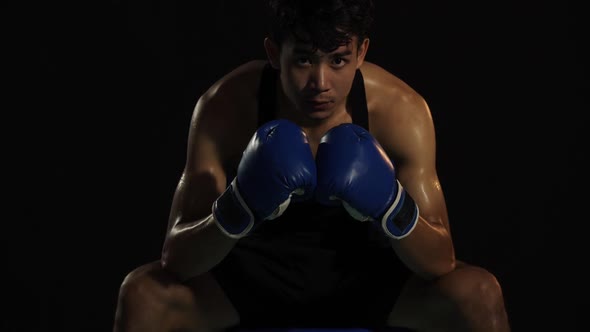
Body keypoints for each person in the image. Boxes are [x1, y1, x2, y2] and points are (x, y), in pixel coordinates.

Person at [113, 0, 511, 331]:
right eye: (303, 59)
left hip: (364, 283)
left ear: (361, 52)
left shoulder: (401, 111)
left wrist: (392, 206)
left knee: (479, 295)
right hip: (254, 282)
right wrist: (239, 208)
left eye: (338, 60)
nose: (320, 82)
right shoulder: (227, 106)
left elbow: (440, 261)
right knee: (143, 295)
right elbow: (177, 258)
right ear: (274, 53)